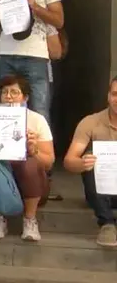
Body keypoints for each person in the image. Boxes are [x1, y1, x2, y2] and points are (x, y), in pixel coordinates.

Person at [0, 74, 55, 241]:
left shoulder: (37, 120)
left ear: (25, 97)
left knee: (29, 163)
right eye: (4, 92)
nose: (8, 97)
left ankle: (30, 220)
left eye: (14, 92)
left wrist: (33, 150)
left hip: (30, 184)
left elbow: (49, 162)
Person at [63, 76, 117, 247]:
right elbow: (69, 160)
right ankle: (107, 224)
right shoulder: (90, 122)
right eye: (115, 94)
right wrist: (82, 163)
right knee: (90, 155)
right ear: (108, 96)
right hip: (100, 191)